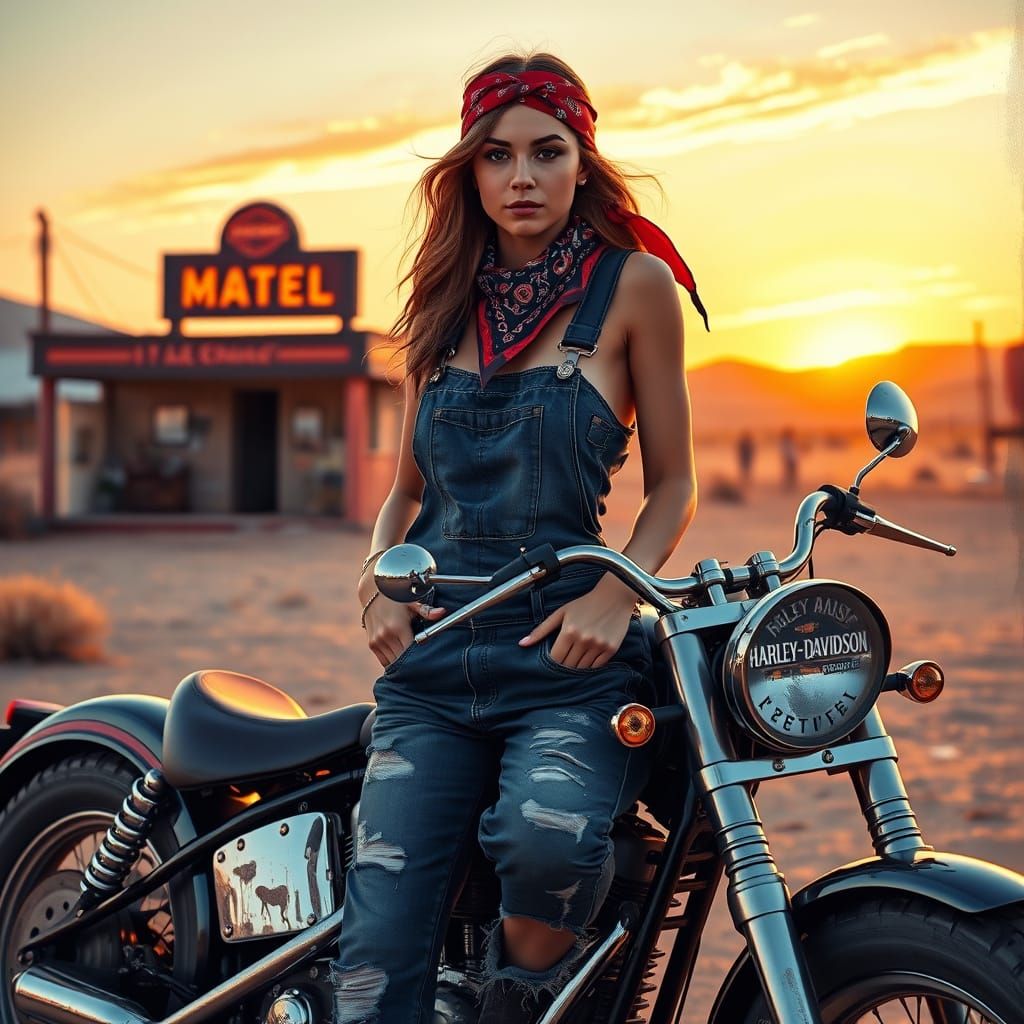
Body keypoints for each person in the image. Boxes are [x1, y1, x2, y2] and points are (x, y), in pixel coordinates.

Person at [333, 51, 704, 1024]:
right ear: (470, 172)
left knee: (548, 852)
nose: (522, 177)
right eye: (496, 156)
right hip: (434, 659)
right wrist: (376, 579)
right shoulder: (437, 300)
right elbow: (403, 492)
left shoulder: (634, 288)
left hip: (565, 656)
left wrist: (617, 589)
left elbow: (674, 484)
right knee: (372, 970)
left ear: (583, 159)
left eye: (546, 151)